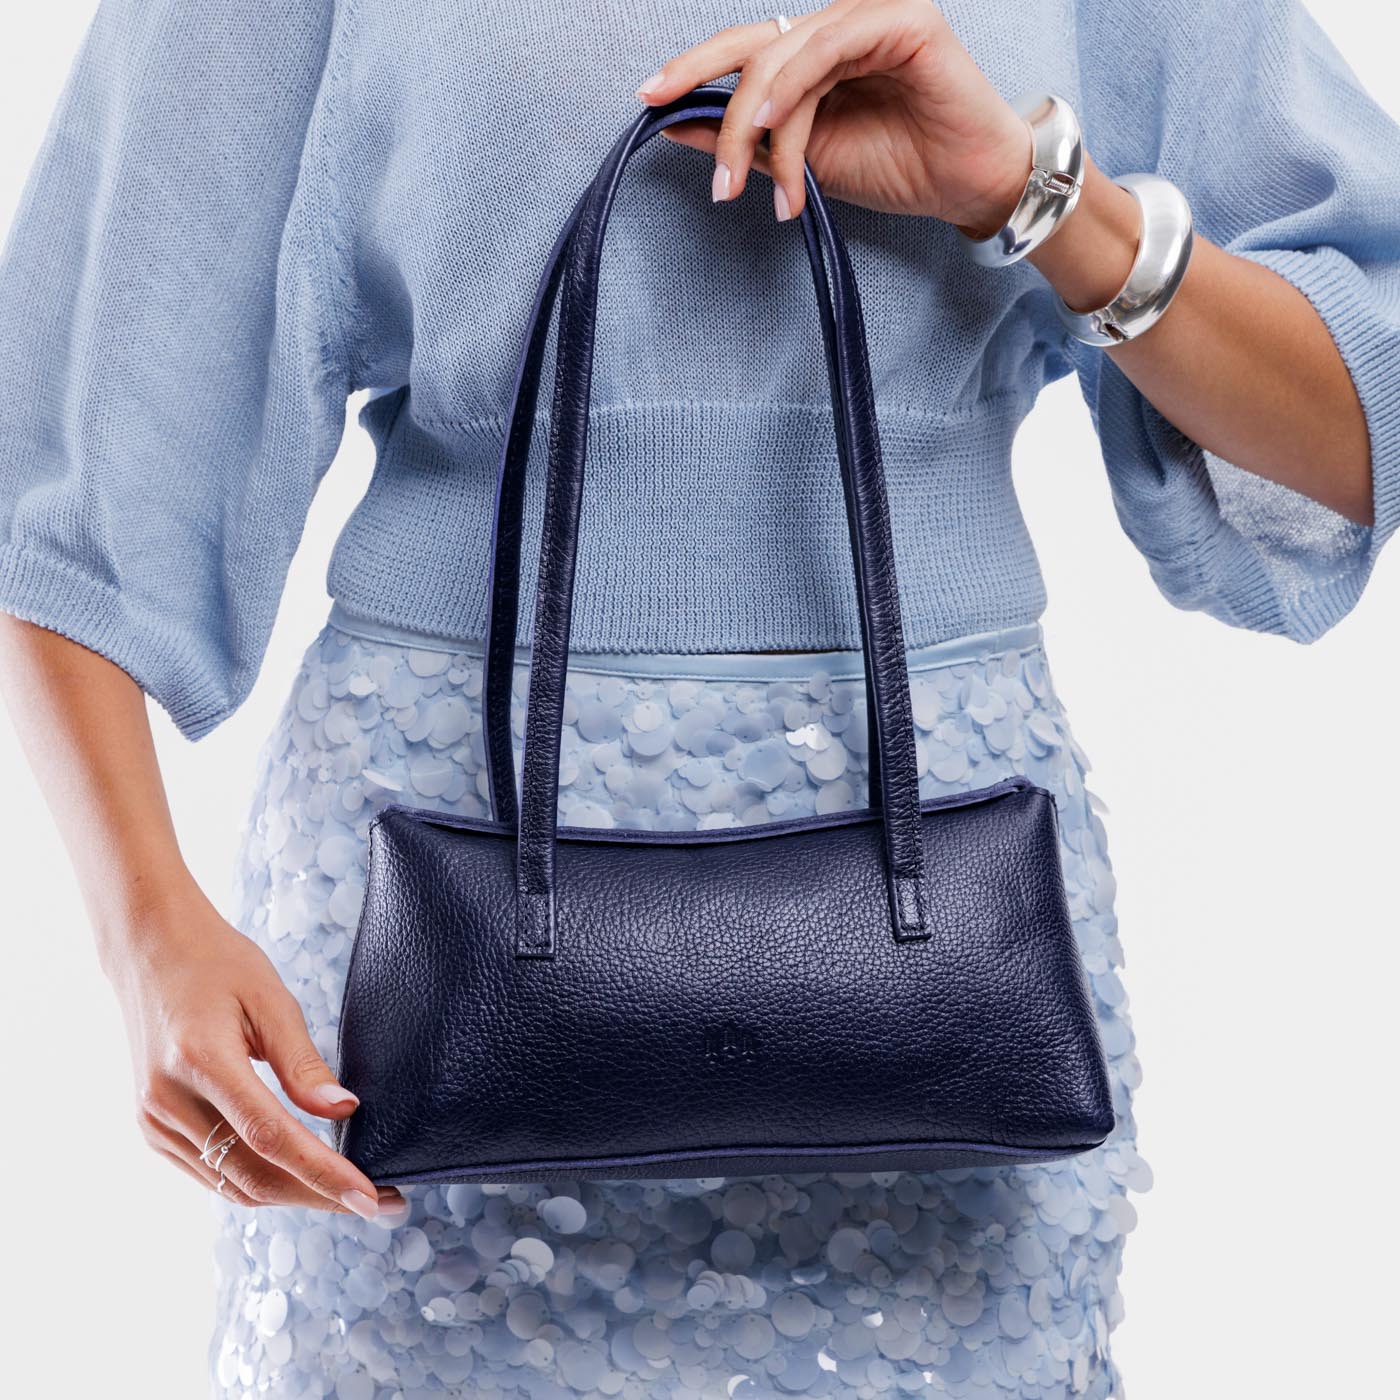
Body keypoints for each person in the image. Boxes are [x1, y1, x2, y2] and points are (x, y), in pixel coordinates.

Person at [0, 1, 1395, 1395]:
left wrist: (1033, 196)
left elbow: (1362, 428)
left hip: (945, 950)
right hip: (446, 930)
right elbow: (64, 466)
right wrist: (143, 931)